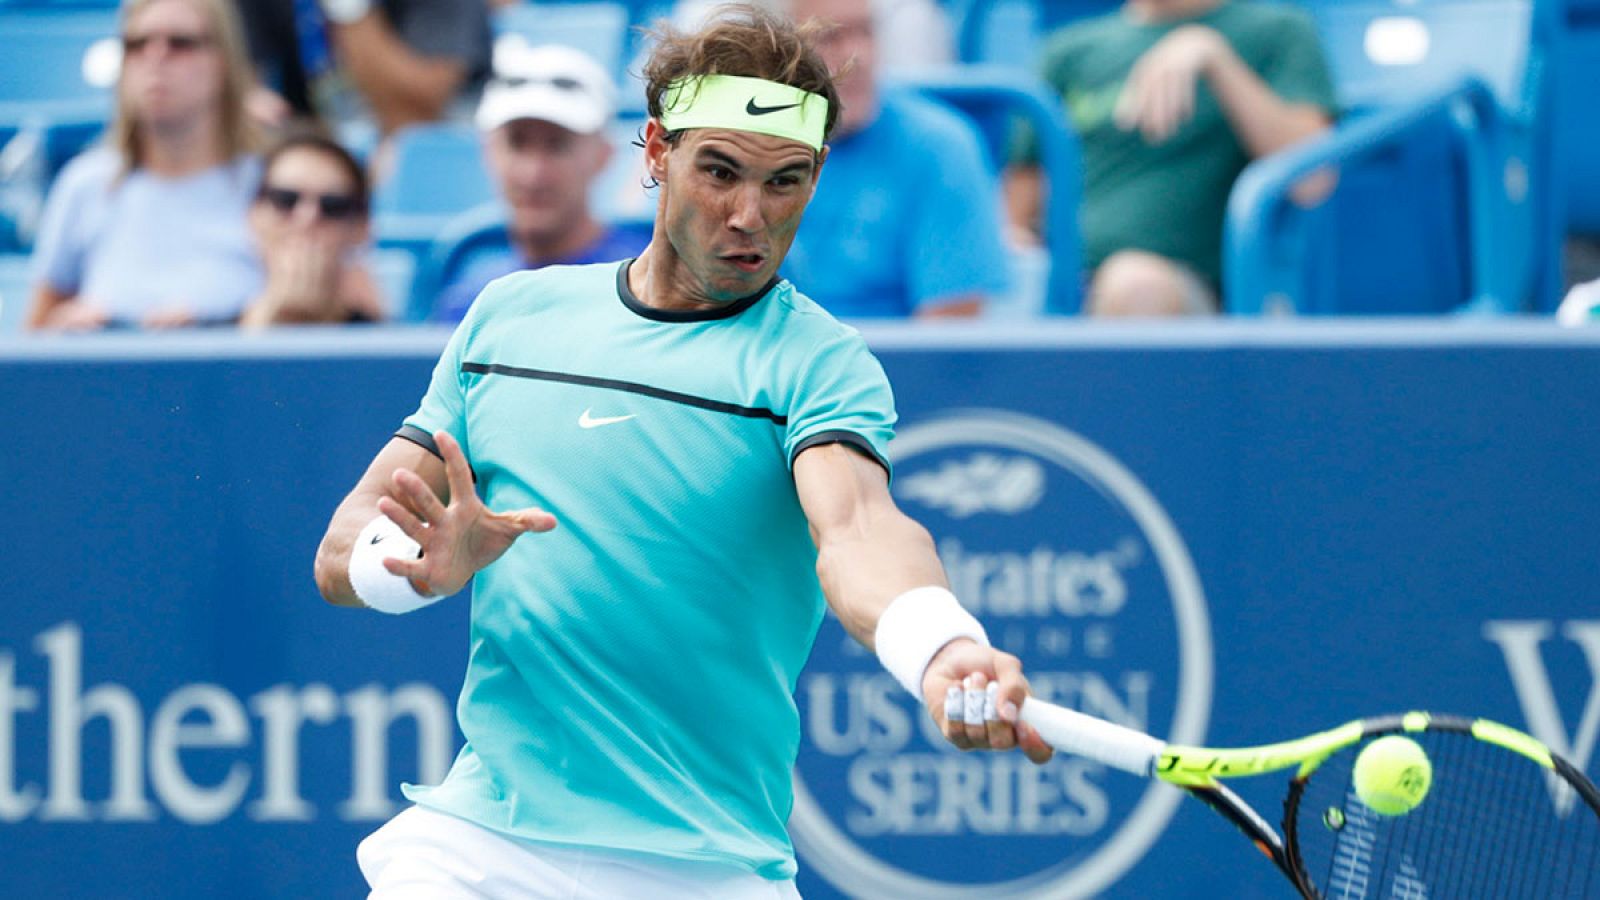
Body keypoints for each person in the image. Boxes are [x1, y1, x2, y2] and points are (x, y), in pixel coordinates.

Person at [312, 6, 1052, 896]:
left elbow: (860, 534)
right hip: (482, 846)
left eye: (785, 182)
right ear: (657, 152)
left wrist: (939, 649)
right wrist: (415, 566)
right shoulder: (509, 318)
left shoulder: (818, 364)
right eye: (719, 171)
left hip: (703, 863)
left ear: (816, 176)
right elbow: (340, 549)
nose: (750, 216)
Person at [1006, 0, 1337, 316]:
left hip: (1201, 294)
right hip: (1065, 288)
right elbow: (1016, 213)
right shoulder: (1067, 51)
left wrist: (1215, 57)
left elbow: (1311, 180)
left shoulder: (1278, 31)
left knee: (1135, 284)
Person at [27, 0, 265, 331]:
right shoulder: (84, 184)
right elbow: (32, 343)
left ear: (224, 63)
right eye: (136, 45)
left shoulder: (278, 187)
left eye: (180, 43)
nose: (156, 58)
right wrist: (65, 328)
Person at [780, 0, 1009, 319]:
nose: (858, 57)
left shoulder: (941, 146)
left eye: (866, 32)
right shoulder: (735, 145)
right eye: (829, 38)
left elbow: (949, 339)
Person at [432, 43, 651, 323]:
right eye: (517, 143)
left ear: (603, 155)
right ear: (488, 153)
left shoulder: (648, 286)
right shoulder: (470, 302)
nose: (533, 173)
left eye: (557, 146)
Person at [234, 0, 491, 141]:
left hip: (438, 137)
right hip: (309, 138)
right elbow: (245, 77)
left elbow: (418, 115)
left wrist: (351, 8)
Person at [239, 131, 384, 327]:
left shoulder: (382, 340)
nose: (307, 218)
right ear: (253, 213)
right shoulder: (204, 324)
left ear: (362, 227)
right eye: (286, 200)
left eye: (332, 206)